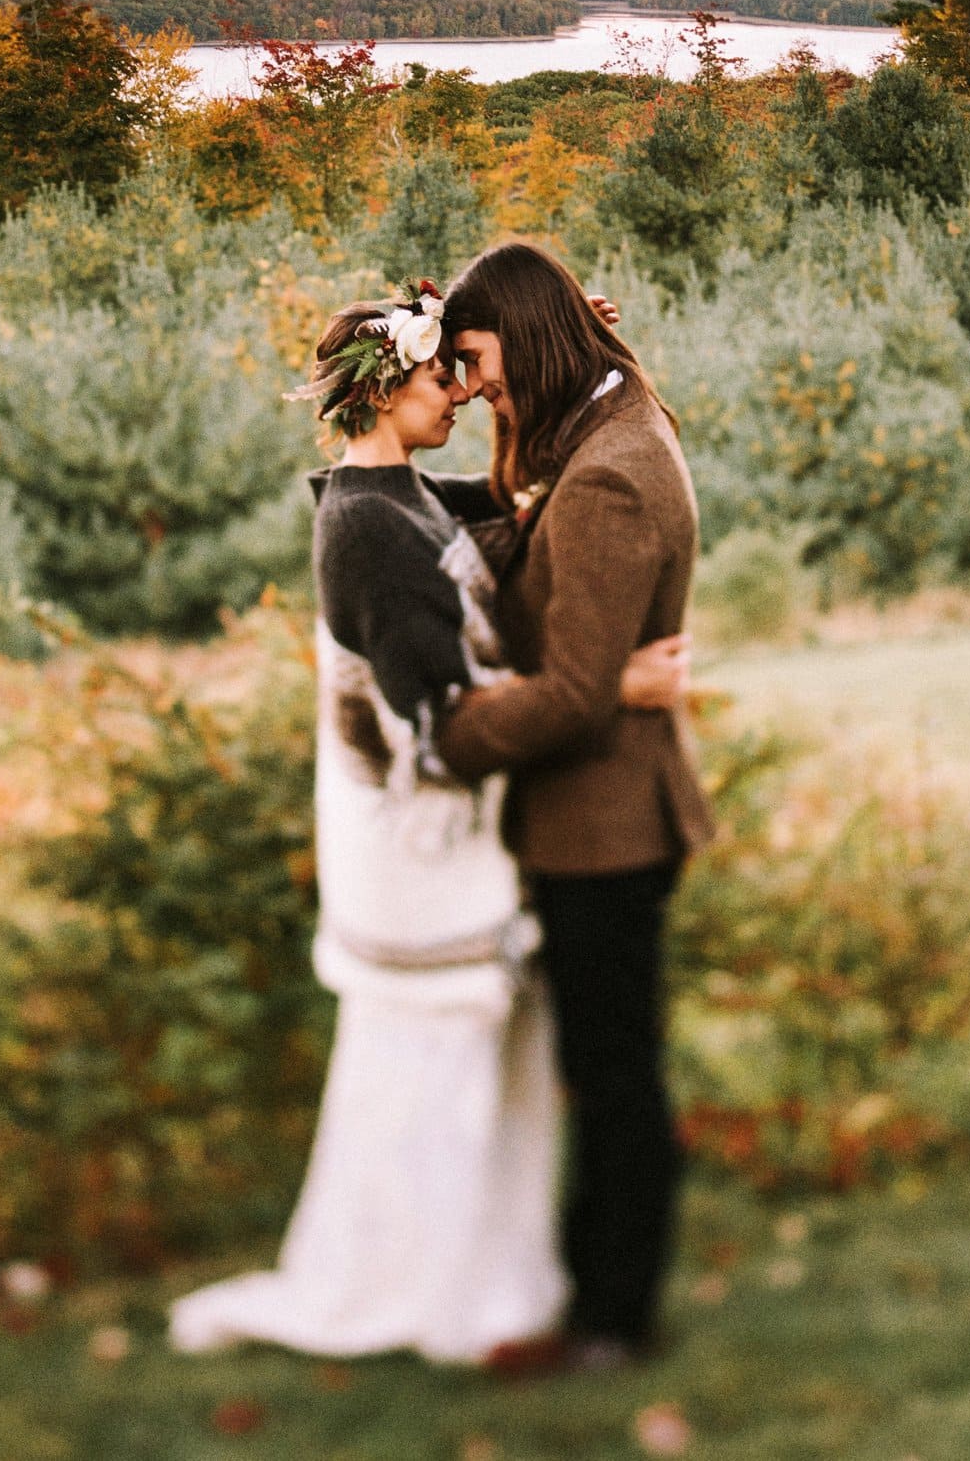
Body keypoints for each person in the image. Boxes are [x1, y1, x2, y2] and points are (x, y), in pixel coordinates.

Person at [168, 280, 688, 1367]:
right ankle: (418, 1281)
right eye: (435, 374)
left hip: (456, 863)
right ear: (384, 390)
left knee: (467, 1094)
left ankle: (486, 1274)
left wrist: (558, 339)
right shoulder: (365, 531)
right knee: (427, 1103)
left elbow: (525, 510)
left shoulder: (403, 493)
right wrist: (611, 690)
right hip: (417, 869)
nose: (455, 390)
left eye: (459, 368)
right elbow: (442, 728)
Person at [436, 241, 712, 1370]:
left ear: (528, 333)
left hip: (606, 821)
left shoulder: (607, 470)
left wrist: (444, 728)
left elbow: (569, 694)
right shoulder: (598, 421)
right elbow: (518, 515)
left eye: (476, 356)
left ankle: (614, 1316)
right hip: (600, 813)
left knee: (611, 1075)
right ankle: (593, 1289)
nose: (471, 383)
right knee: (603, 1065)